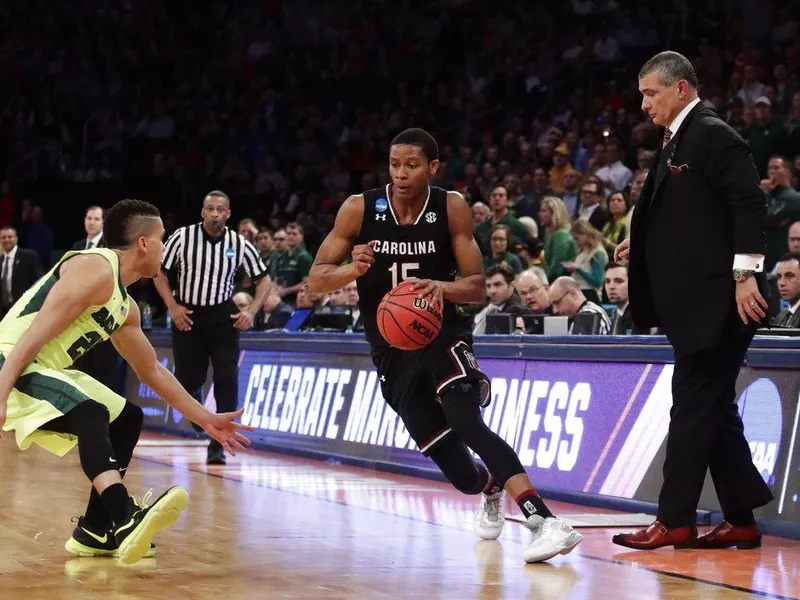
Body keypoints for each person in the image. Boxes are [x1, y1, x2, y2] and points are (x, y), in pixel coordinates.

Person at [308, 127, 582, 564]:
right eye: (395, 164)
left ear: (433, 168)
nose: (401, 173)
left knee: (466, 419)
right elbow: (316, 279)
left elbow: (476, 287)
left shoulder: (450, 207)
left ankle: (544, 521)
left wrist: (438, 286)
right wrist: (352, 270)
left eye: (412, 165)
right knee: (462, 475)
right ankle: (490, 488)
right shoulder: (359, 209)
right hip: (390, 349)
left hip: (444, 332)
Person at [0, 199, 252, 565]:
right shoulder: (94, 267)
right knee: (90, 411)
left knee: (126, 417)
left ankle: (96, 529)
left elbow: (152, 371)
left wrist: (205, 419)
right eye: (162, 239)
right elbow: (31, 335)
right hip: (12, 359)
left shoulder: (125, 305)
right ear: (143, 244)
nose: (165, 248)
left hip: (42, 366)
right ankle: (123, 515)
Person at [614, 51, 773, 550]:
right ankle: (741, 519)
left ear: (681, 88)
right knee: (712, 408)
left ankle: (674, 519)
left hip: (722, 301)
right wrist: (640, 244)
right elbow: (688, 217)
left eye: (651, 93)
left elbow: (749, 205)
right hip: (696, 303)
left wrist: (746, 274)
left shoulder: (713, 134)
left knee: (690, 406)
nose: (644, 104)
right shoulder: (675, 138)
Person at [153, 190, 271, 465]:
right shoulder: (183, 237)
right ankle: (198, 416)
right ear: (202, 212)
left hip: (222, 315)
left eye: (221, 209)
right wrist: (172, 306)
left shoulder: (239, 243)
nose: (215, 214)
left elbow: (263, 280)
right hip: (188, 314)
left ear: (228, 214)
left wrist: (251, 311)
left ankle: (218, 443)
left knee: (227, 377)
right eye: (211, 209)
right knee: (186, 379)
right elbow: (159, 271)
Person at [69, 206, 120, 392]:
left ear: (103, 223)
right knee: (82, 369)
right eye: (89, 218)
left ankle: (109, 416)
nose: (91, 222)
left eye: (96, 219)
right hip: (78, 319)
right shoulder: (76, 247)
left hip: (102, 317)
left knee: (105, 371)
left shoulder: (111, 247)